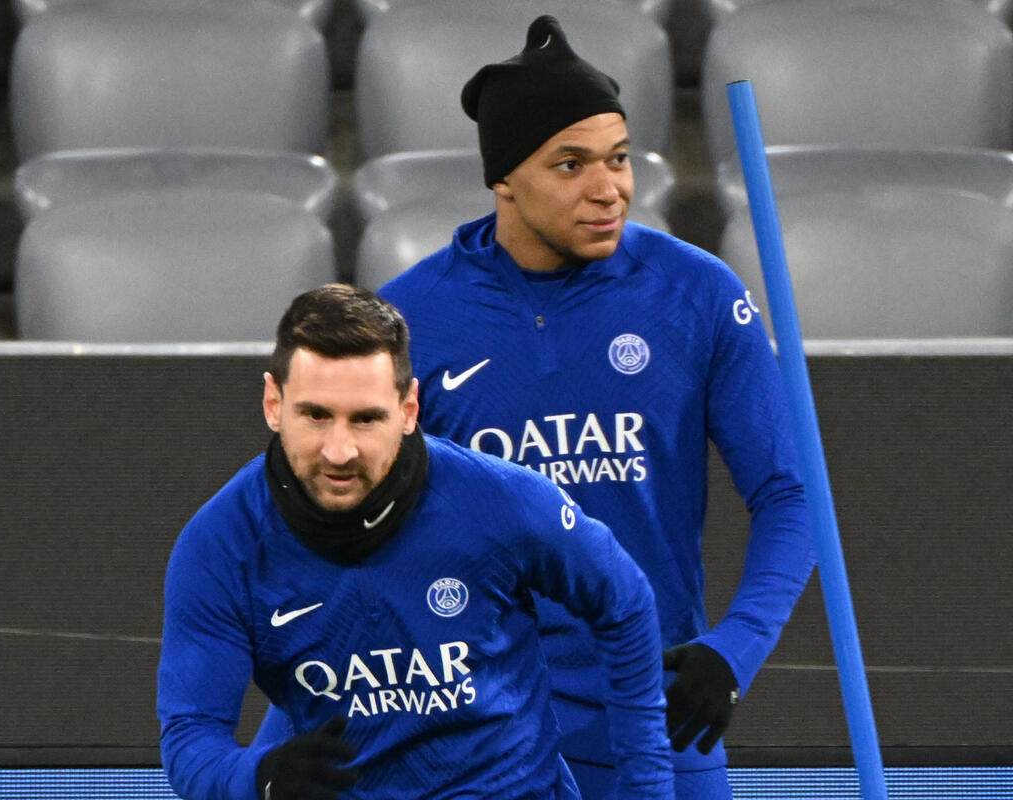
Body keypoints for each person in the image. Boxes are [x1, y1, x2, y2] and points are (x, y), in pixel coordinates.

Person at [375, 15, 815, 800]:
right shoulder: (410, 321)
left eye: (618, 158)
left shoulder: (698, 295)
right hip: (481, 738)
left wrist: (733, 652)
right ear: (504, 178)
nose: (608, 188)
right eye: (570, 164)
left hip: (661, 722)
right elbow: (350, 536)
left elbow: (791, 494)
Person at [156, 284, 675, 799]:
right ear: (274, 403)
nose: (339, 451)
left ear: (408, 409)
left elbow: (624, 601)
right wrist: (259, 776)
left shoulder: (499, 500)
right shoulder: (221, 545)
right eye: (316, 415)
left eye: (366, 419)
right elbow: (191, 736)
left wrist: (648, 789)